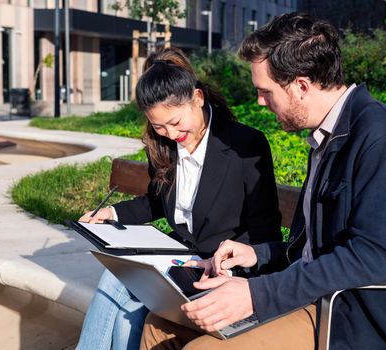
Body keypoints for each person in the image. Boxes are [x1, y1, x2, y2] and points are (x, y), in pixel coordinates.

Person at [140, 12, 386, 350]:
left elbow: (372, 256)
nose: (260, 101)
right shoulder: (327, 138)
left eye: (266, 91)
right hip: (313, 297)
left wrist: (257, 294)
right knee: (159, 324)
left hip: (352, 317)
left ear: (300, 85)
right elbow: (317, 250)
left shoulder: (381, 138)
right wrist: (255, 255)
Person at [75, 46, 282, 350]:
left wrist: (236, 265)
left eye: (175, 122)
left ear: (197, 98)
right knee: (118, 285)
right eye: (159, 126)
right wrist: (112, 215)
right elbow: (158, 201)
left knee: (126, 304)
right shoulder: (164, 146)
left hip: (216, 267)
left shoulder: (244, 144)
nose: (170, 134)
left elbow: (266, 230)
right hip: (176, 255)